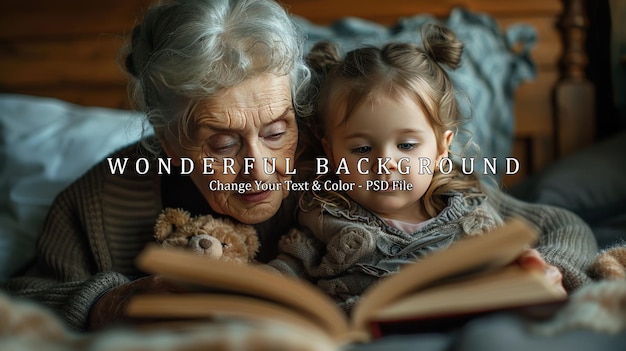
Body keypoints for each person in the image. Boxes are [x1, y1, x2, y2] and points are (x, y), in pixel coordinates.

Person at [6, 0, 312, 331]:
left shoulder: (338, 158)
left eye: (276, 132)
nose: (260, 169)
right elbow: (18, 304)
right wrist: (107, 304)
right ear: (168, 141)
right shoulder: (98, 200)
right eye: (223, 144)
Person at [267, 24, 599, 312]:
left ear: (442, 147)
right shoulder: (320, 215)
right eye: (362, 148)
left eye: (407, 146)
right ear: (331, 151)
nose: (385, 164)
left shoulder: (470, 200)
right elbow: (282, 273)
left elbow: (566, 224)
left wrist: (552, 268)